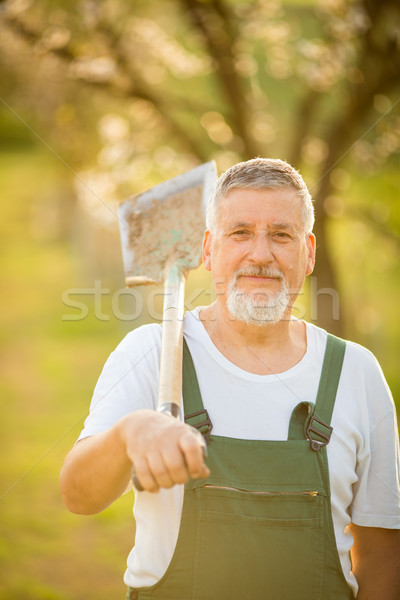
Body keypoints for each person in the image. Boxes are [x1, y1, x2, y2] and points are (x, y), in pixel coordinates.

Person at [60, 158, 400, 599]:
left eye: (281, 234)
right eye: (240, 233)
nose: (260, 254)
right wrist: (129, 433)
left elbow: (382, 555)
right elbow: (77, 496)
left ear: (309, 252)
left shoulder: (356, 372)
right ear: (207, 249)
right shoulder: (154, 354)